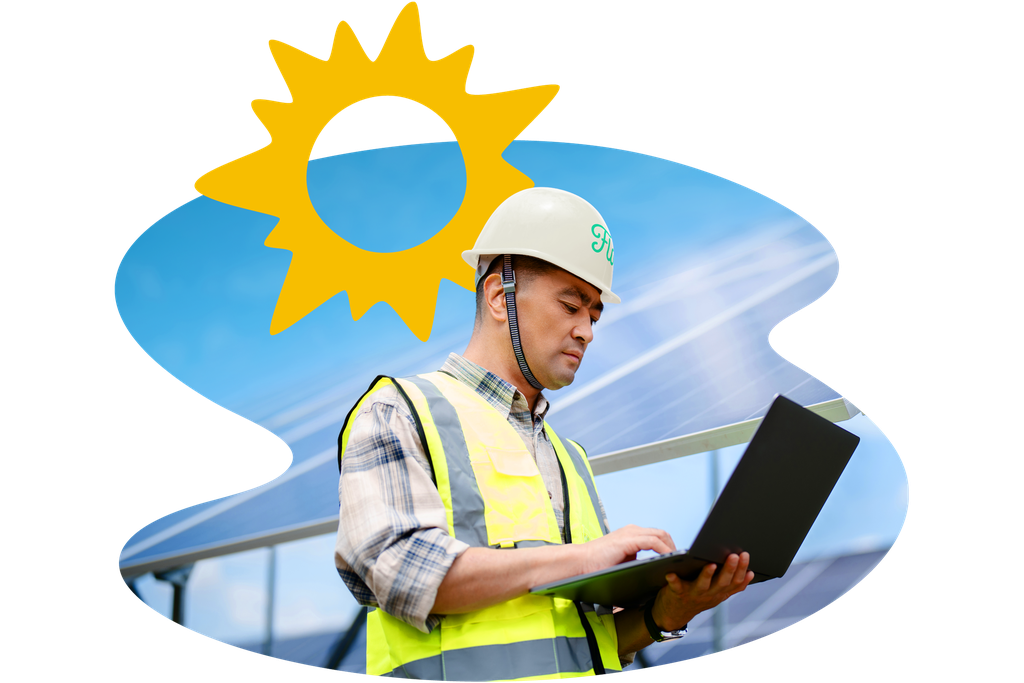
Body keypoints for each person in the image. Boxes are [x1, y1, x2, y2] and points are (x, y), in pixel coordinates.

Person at [334, 187, 754, 680]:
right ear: (498, 296)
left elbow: (583, 641)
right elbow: (403, 572)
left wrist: (666, 616)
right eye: (570, 305)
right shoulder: (401, 411)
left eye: (594, 314)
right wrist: (580, 559)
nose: (587, 331)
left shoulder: (568, 457)